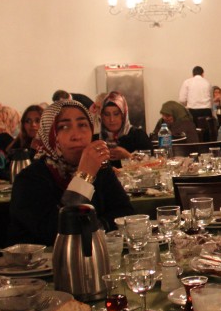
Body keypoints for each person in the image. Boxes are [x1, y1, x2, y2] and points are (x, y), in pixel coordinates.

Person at [9, 100, 135, 245]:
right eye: (64, 127)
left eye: (82, 125)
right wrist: (84, 178)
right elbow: (57, 233)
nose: (76, 136)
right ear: (48, 134)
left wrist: (93, 229)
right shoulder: (29, 179)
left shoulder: (101, 169)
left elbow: (126, 213)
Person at [98, 91, 152, 161]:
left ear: (123, 115)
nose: (112, 119)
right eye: (107, 114)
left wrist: (128, 156)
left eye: (116, 114)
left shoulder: (138, 136)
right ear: (102, 116)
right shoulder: (97, 139)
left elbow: (152, 163)